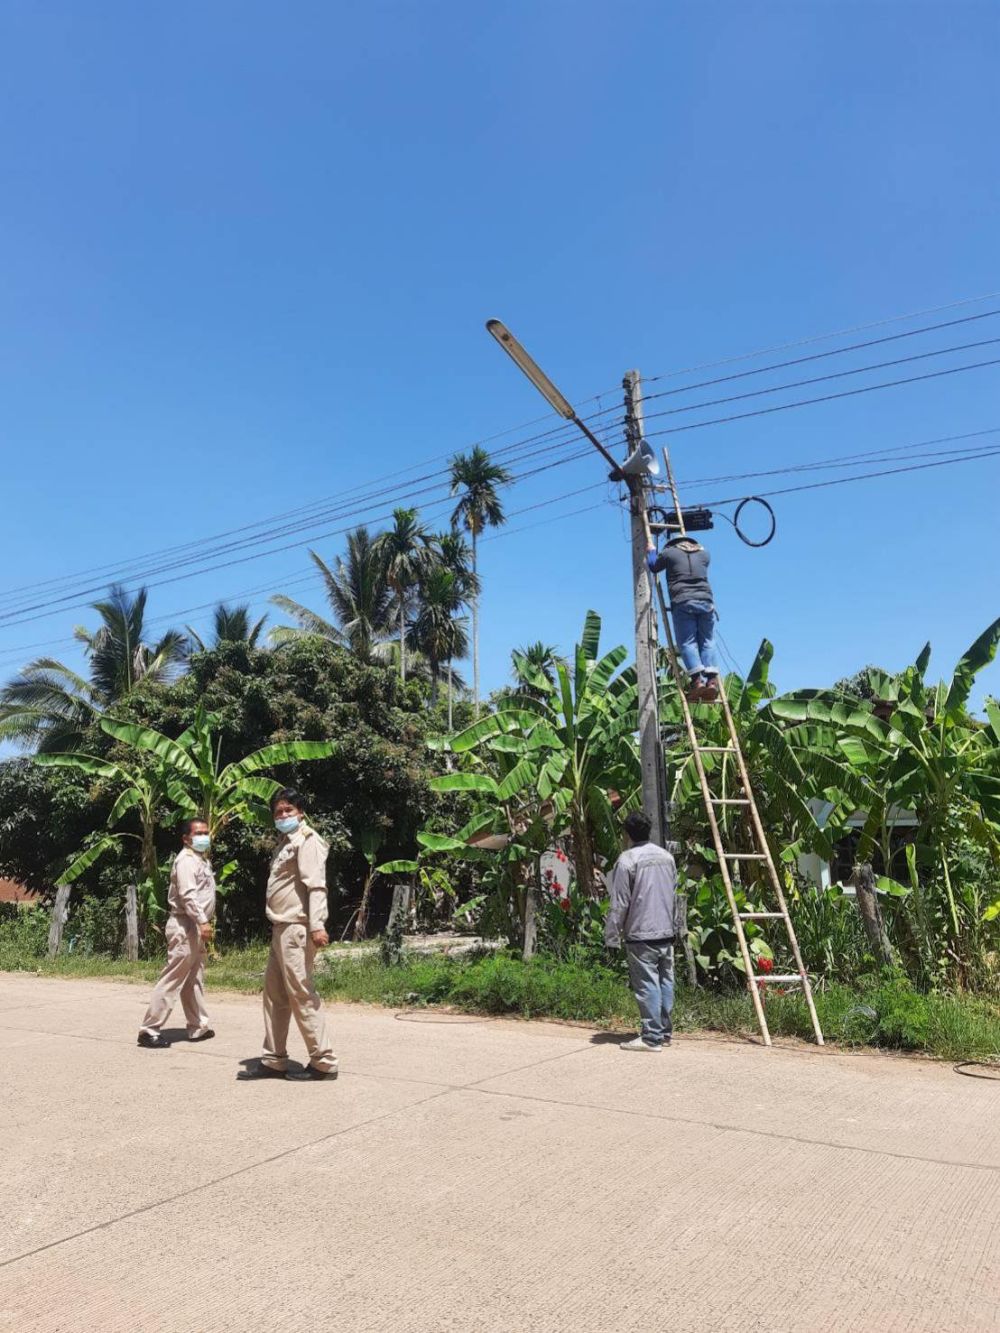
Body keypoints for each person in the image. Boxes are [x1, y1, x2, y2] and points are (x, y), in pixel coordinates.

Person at [254, 788, 338, 1081]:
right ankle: (274, 1058)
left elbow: (316, 885)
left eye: (288, 810)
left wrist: (317, 924)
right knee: (275, 994)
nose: (283, 815)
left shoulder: (308, 841)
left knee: (301, 993)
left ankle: (323, 1062)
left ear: (300, 812)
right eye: (278, 812)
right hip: (280, 927)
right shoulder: (284, 843)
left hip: (297, 927)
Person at [137, 817, 216, 1048]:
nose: (204, 836)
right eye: (198, 833)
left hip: (195, 926)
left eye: (206, 832)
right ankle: (149, 1029)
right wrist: (202, 921)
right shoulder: (185, 861)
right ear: (186, 838)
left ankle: (197, 1026)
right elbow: (188, 895)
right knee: (173, 977)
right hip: (186, 925)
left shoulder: (200, 860)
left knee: (194, 979)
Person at [604, 811, 678, 1052]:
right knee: (665, 982)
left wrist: (612, 936)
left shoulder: (627, 861)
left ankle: (651, 1037)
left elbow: (620, 903)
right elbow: (674, 894)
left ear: (626, 834)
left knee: (647, 985)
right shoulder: (667, 857)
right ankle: (664, 1033)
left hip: (641, 933)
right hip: (666, 931)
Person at [647, 533, 719, 701]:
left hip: (683, 601)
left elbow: (653, 566)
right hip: (706, 602)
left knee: (688, 642)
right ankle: (712, 681)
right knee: (707, 641)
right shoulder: (704, 553)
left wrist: (651, 551)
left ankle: (697, 681)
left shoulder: (669, 553)